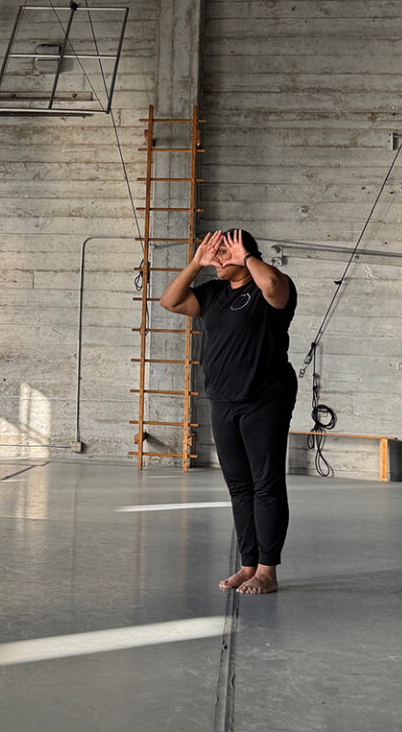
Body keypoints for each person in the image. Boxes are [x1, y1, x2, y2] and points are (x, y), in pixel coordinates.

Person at [158, 229, 297, 595]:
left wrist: (246, 256)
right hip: (222, 399)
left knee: (266, 484)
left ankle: (268, 570)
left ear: (243, 254)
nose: (215, 259)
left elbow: (272, 286)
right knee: (239, 487)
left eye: (222, 253)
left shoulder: (272, 286)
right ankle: (248, 564)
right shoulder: (214, 293)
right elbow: (170, 301)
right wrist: (196, 262)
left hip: (265, 399)